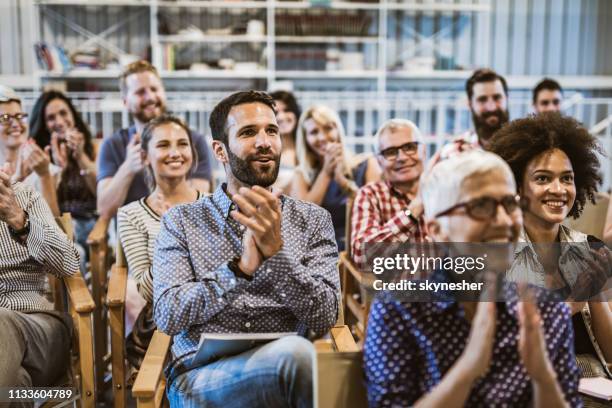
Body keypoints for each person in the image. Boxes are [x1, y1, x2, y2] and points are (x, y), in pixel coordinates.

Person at [153, 90, 340, 407]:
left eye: (272, 130)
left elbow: (324, 316)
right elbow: (167, 315)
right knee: (296, 357)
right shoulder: (181, 221)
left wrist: (277, 255)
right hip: (201, 379)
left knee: (298, 359)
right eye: (248, 132)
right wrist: (238, 271)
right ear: (220, 151)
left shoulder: (313, 220)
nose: (265, 142)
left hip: (287, 372)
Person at [364, 150, 581, 407]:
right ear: (437, 230)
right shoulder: (399, 308)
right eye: (480, 206)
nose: (503, 221)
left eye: (510, 204)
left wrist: (543, 377)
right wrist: (469, 367)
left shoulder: (546, 309)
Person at [490, 114, 612, 399]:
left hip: (591, 385)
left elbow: (610, 352)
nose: (558, 190)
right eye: (543, 178)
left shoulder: (589, 248)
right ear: (518, 188)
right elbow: (510, 350)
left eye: (566, 179)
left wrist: (595, 296)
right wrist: (575, 300)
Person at [118, 115, 205, 369]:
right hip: (165, 319)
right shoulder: (130, 214)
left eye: (182, 144)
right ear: (145, 156)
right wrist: (172, 237)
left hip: (213, 308)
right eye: (163, 145)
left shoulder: (212, 203)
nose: (175, 153)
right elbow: (147, 291)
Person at [0, 162, 80, 394]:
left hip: (38, 328)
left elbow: (68, 264)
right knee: (17, 386)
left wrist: (18, 219)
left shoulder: (24, 195)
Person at [97, 60, 212, 218]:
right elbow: (104, 210)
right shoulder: (112, 145)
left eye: (154, 89)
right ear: (125, 101)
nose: (150, 97)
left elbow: (200, 205)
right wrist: (128, 167)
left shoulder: (194, 140)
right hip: (133, 233)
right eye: (140, 92)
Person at [290, 105, 380, 250]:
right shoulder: (301, 175)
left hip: (360, 250)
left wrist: (343, 183)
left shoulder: (366, 163)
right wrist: (326, 172)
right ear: (305, 139)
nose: (322, 137)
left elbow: (376, 211)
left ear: (338, 130)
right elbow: (302, 220)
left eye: (328, 128)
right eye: (314, 132)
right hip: (319, 256)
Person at [28, 91, 98, 266]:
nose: (59, 122)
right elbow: (44, 208)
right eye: (51, 118)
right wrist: (59, 168)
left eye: (63, 113)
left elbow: (101, 193)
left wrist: (81, 156)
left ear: (72, 115)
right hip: (59, 226)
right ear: (44, 125)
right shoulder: (39, 156)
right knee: (74, 253)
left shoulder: (93, 147)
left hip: (91, 221)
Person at [350, 119, 429, 266]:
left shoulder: (446, 188)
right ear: (379, 161)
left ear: (423, 150)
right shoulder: (370, 195)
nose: (402, 158)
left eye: (409, 147)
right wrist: (412, 212)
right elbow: (362, 255)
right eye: (391, 152)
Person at [0, 85, 60, 216]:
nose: (16, 124)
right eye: (5, 118)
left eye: (19, 116)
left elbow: (58, 230)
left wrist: (44, 176)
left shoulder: (47, 169)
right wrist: (18, 178)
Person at [437, 68, 509, 160]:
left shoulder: (523, 149)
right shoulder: (454, 153)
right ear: (470, 104)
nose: (491, 107)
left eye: (497, 97)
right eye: (482, 99)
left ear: (506, 98)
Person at [270, 90, 300, 193]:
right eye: (276, 113)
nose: (281, 117)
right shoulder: (266, 153)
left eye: (287, 110)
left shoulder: (310, 148)